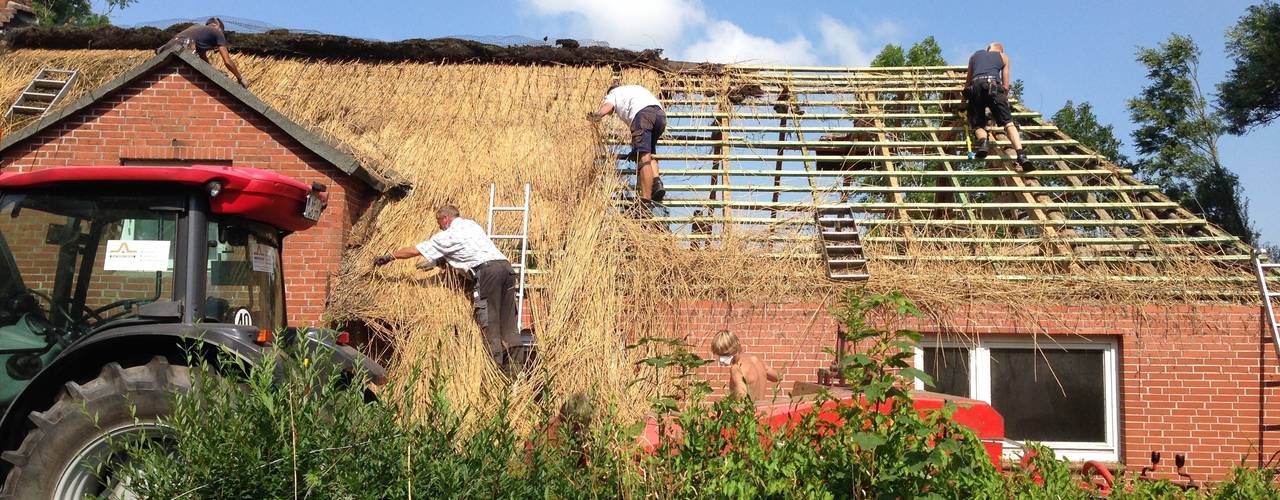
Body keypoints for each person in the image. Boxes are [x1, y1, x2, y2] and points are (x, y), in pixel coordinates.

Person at [372, 205, 520, 367]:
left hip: (487, 273)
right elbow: (467, 249)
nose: (439, 226)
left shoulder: (447, 235)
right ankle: (515, 367)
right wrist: (438, 261)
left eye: (439, 222)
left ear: (445, 219)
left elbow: (415, 250)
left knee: (489, 319)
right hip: (506, 269)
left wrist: (390, 256)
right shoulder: (471, 225)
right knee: (508, 322)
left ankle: (495, 367)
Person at [588, 84, 667, 204]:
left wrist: (598, 115)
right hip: (660, 115)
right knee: (650, 151)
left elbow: (608, 105)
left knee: (643, 156)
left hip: (643, 115)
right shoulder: (635, 89)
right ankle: (657, 183)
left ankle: (645, 200)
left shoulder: (613, 93)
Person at [963, 43, 1026, 165]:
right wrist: (1000, 104)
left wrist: (963, 102)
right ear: (1000, 50)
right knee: (1008, 124)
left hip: (975, 87)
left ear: (988, 49)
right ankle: (1021, 155)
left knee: (978, 124)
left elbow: (968, 81)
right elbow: (1006, 86)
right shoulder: (1003, 57)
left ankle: (984, 143)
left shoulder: (974, 56)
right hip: (994, 86)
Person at [157, 17, 247, 87]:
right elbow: (227, 61)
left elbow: (203, 59)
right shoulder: (217, 32)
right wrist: (240, 77)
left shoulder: (196, 28)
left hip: (166, 49)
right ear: (220, 28)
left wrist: (212, 71)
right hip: (183, 49)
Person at [710, 330, 780, 400]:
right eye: (719, 354)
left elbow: (742, 401)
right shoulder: (756, 360)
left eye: (724, 354)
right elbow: (777, 377)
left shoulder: (736, 368)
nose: (722, 358)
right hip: (762, 409)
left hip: (749, 410)